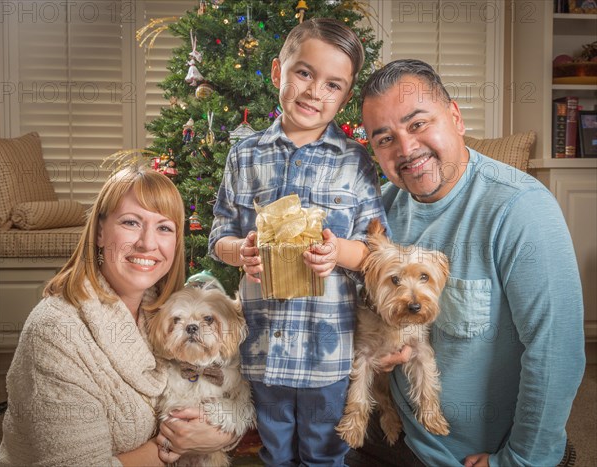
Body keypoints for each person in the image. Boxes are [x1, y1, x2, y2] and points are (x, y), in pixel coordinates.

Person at [348, 59, 585, 466]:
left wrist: (518, 462)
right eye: (385, 138)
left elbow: (556, 352)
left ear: (455, 117)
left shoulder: (520, 210)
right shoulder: (382, 211)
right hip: (399, 426)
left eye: (418, 124)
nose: (406, 149)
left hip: (473, 454)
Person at [208, 18, 389, 466]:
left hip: (326, 350)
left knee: (324, 453)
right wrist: (239, 250)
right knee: (274, 450)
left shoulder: (356, 162)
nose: (314, 92)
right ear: (278, 72)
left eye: (333, 85)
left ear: (345, 98)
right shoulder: (244, 154)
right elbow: (220, 233)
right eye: (304, 73)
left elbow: (375, 250)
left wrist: (338, 253)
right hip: (262, 346)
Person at [0, 165, 237, 466]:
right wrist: (174, 446)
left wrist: (222, 434)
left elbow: (224, 394)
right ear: (99, 232)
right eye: (131, 222)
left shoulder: (166, 314)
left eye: (164, 228)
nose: (147, 243)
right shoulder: (56, 331)